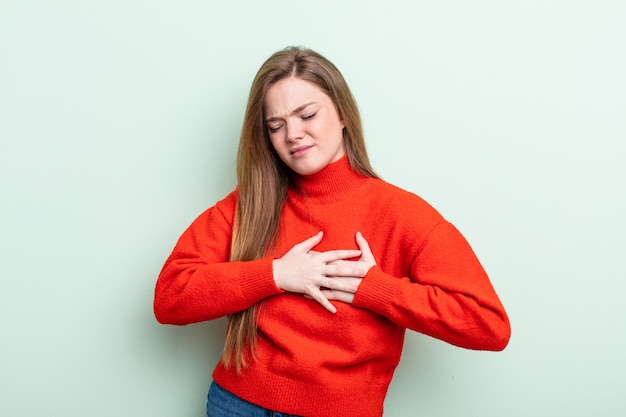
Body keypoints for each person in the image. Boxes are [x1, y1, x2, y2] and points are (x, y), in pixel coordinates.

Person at [154, 46, 511, 417]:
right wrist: (276, 274)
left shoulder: (401, 214)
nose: (293, 134)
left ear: (342, 113)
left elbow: (488, 324)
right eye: (275, 125)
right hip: (236, 403)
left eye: (307, 114)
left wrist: (375, 288)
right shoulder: (250, 203)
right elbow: (170, 296)